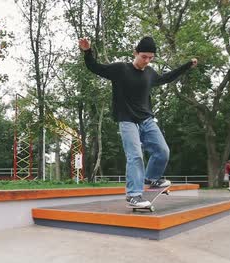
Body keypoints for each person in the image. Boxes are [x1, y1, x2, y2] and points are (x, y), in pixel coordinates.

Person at [79, 36, 197, 208]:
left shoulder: (150, 74)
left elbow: (167, 78)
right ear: (135, 53)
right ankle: (133, 195)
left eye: (150, 58)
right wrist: (87, 51)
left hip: (147, 120)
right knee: (135, 155)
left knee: (162, 151)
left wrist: (186, 66)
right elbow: (95, 67)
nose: (146, 61)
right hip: (127, 121)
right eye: (143, 57)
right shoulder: (120, 69)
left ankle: (151, 179)